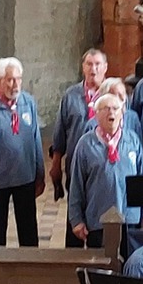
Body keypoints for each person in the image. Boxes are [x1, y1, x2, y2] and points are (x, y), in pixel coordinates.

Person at [0, 57, 45, 246]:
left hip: (25, 177)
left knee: (29, 231)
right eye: (10, 80)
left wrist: (40, 175)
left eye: (18, 79)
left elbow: (35, 140)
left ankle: (30, 262)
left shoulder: (28, 102)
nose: (16, 84)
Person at [68, 94, 143, 247]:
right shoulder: (85, 144)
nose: (111, 112)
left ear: (122, 113)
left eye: (115, 108)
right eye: (106, 109)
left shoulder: (132, 140)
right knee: (102, 261)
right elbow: (76, 185)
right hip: (99, 219)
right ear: (96, 114)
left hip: (130, 220)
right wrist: (76, 220)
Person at [51, 49, 108, 247]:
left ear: (105, 68)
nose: (93, 69)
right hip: (75, 165)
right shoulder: (71, 95)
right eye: (89, 64)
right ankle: (73, 255)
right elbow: (60, 132)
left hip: (101, 165)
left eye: (98, 64)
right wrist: (56, 164)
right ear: (83, 67)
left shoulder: (112, 94)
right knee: (75, 208)